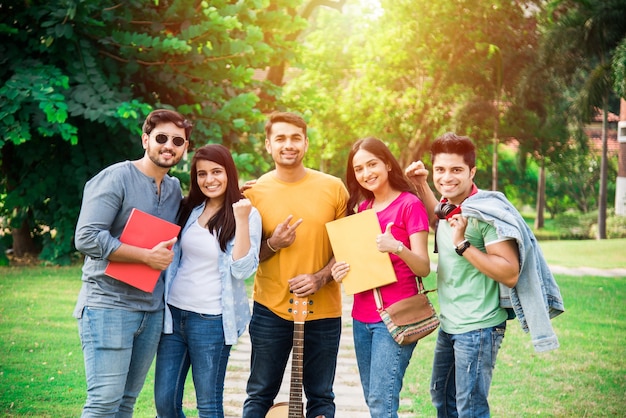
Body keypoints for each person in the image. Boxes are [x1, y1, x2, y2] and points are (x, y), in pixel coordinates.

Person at [73, 109, 192, 417]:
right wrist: (145, 256)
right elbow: (86, 237)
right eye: (161, 138)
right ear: (145, 139)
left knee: (126, 404)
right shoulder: (116, 177)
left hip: (150, 312)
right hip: (108, 305)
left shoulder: (174, 188)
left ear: (185, 147)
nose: (169, 146)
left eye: (177, 140)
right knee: (103, 403)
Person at [404, 132, 520, 418]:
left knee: (469, 408)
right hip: (452, 323)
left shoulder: (483, 213)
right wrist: (420, 183)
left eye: (456, 170)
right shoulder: (450, 205)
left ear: (472, 171)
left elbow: (510, 273)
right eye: (440, 170)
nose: (447, 177)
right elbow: (439, 211)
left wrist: (462, 244)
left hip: (478, 327)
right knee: (443, 397)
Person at [242, 111, 349, 418]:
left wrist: (321, 277)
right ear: (267, 144)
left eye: (294, 138)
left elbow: (348, 247)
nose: (287, 145)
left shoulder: (333, 188)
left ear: (306, 142)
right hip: (269, 308)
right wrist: (273, 243)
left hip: (324, 309)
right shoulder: (253, 193)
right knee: (260, 393)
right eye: (280, 138)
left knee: (321, 396)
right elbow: (243, 258)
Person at [154, 144, 262, 417]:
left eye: (216, 171)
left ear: (229, 173)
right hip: (174, 316)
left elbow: (242, 270)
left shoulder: (248, 214)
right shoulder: (189, 209)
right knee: (165, 403)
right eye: (202, 174)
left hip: (211, 321)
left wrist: (241, 219)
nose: (209, 179)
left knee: (208, 405)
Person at [330, 137, 431, 418]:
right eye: (359, 169)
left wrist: (397, 248)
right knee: (375, 400)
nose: (366, 173)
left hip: (397, 316)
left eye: (372, 164)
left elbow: (423, 267)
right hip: (362, 318)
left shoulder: (409, 205)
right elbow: (361, 264)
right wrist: (342, 271)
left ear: (387, 163)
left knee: (381, 403)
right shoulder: (361, 210)